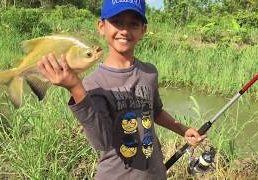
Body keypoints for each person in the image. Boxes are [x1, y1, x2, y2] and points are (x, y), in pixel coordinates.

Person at [37, 0, 206, 179]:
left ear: (143, 30)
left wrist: (183, 130)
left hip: (155, 173)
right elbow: (101, 141)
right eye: (117, 22)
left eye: (133, 24)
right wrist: (75, 87)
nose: (124, 30)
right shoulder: (93, 84)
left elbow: (154, 111)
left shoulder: (149, 72)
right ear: (101, 26)